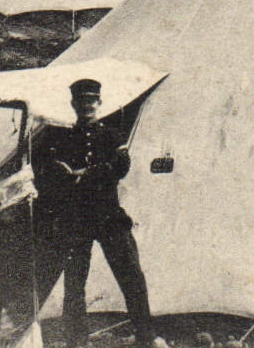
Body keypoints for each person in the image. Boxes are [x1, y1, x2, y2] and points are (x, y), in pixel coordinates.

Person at [32, 79, 168, 348]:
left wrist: (85, 174)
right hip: (76, 219)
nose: (87, 107)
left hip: (107, 216)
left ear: (99, 103)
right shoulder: (63, 138)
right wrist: (65, 173)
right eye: (81, 102)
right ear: (73, 105)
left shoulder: (111, 135)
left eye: (91, 102)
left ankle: (146, 336)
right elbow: (49, 169)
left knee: (131, 276)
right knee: (74, 284)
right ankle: (77, 341)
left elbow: (121, 166)